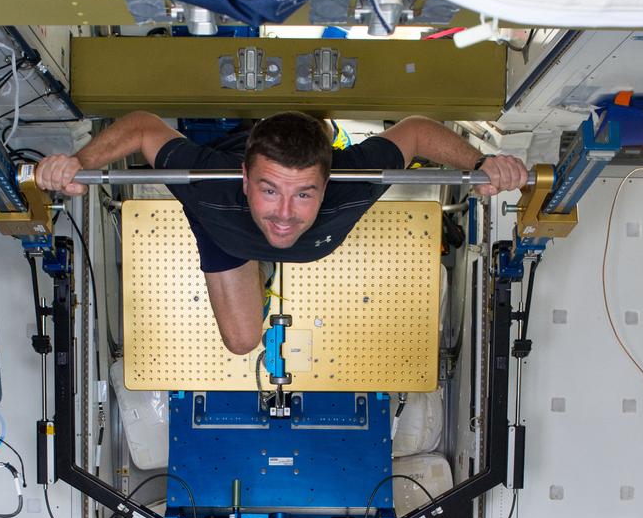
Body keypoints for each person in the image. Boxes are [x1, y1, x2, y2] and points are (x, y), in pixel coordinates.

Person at [35, 111, 528, 355]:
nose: (286, 214)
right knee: (242, 341)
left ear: (327, 185)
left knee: (246, 334)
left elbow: (418, 130)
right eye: (270, 191)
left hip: (254, 214)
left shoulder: (353, 184)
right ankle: (257, 261)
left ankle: (264, 254)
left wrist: (483, 163)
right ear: (246, 181)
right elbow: (143, 127)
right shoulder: (210, 186)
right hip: (223, 230)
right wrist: (78, 163)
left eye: (305, 194)